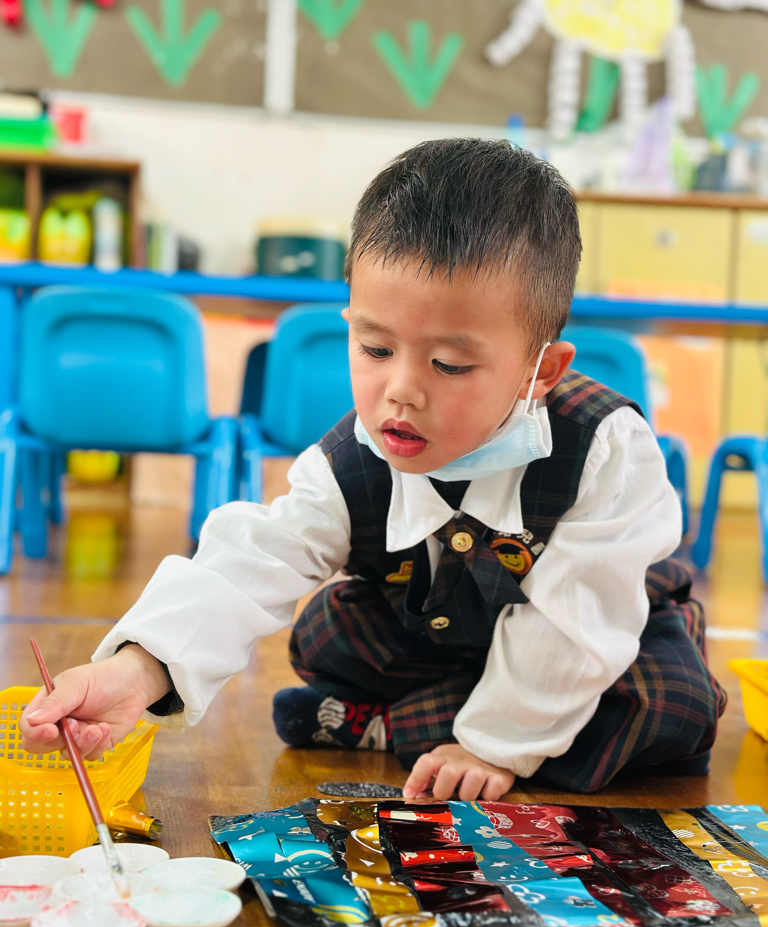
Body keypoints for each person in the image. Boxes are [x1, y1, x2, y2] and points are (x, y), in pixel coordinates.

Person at [20, 139, 726, 802]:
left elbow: (582, 623)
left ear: (541, 371)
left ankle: (402, 727)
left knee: (674, 703)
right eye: (375, 348)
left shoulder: (604, 447)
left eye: (450, 364)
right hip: (445, 644)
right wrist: (137, 669)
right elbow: (254, 560)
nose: (402, 391)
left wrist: (492, 749)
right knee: (329, 632)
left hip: (599, 639)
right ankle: (439, 723)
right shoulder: (353, 456)